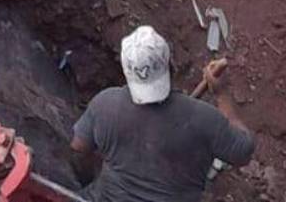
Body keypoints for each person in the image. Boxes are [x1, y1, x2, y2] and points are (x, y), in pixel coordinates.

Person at [69, 25, 254, 202]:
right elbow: (243, 152)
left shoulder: (105, 104)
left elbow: (78, 149)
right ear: (169, 65)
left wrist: (92, 178)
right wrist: (223, 95)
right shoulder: (204, 119)